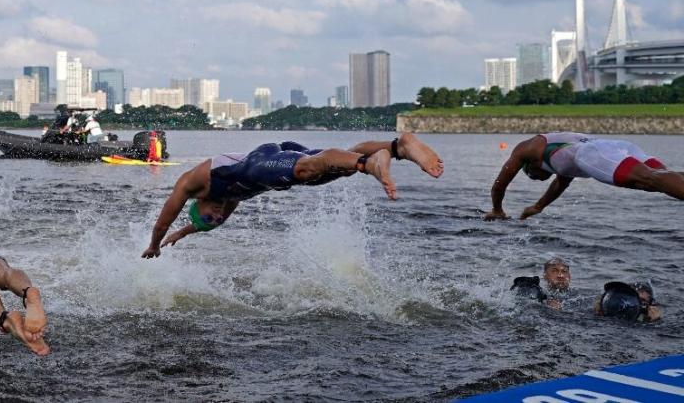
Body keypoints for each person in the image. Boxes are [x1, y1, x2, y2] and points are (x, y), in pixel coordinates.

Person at [141, 133, 444, 258]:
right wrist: (184, 233)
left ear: (198, 204)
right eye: (216, 219)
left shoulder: (191, 185)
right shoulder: (222, 207)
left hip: (261, 162)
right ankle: (398, 147)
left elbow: (161, 221)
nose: (218, 215)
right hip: (276, 166)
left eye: (210, 215)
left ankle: (369, 164)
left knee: (309, 169)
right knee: (331, 169)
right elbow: (203, 223)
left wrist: (155, 244)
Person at [485, 132, 684, 221]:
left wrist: (497, 209)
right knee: (661, 180)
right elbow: (559, 184)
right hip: (618, 146)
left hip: (594, 153)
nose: (536, 179)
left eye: (532, 176)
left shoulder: (526, 149)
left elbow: (499, 185)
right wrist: (538, 207)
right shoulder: (561, 164)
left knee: (651, 179)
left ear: (530, 166)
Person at [594, 281, 662, 322]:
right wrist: (598, 313)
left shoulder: (644, 323)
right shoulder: (603, 313)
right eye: (631, 297)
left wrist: (655, 322)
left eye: (642, 300)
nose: (634, 302)